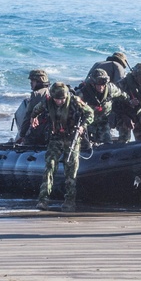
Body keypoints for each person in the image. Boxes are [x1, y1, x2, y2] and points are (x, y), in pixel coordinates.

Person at [29, 81, 94, 211]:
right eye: (57, 99)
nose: (59, 101)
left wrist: (82, 126)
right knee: (49, 166)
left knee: (71, 171)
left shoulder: (75, 101)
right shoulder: (47, 102)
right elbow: (35, 110)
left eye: (62, 99)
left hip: (72, 138)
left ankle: (69, 201)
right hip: (56, 138)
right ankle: (43, 200)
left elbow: (90, 113)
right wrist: (33, 118)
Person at [76, 69, 127, 144]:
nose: (101, 87)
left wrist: (130, 102)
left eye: (103, 83)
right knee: (83, 145)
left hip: (103, 122)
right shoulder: (83, 93)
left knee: (107, 143)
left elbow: (123, 95)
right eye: (98, 84)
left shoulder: (111, 89)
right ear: (93, 83)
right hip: (87, 123)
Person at [116, 62, 141, 142]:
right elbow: (114, 105)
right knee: (124, 140)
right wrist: (129, 103)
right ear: (135, 76)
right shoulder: (122, 84)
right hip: (125, 114)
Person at [16, 69, 50, 144]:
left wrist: (22, 135)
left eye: (33, 81)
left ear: (39, 81)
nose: (31, 83)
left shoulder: (36, 95)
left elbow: (28, 116)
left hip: (40, 132)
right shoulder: (50, 92)